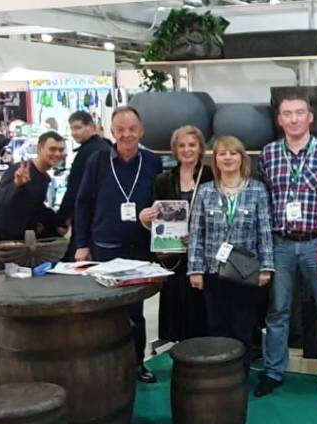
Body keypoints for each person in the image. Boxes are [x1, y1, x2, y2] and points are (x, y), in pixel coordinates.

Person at [73, 106, 163, 384]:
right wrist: (81, 244)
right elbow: (82, 203)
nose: (127, 135)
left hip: (139, 248)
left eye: (132, 129)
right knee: (105, 311)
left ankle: (136, 364)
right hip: (104, 248)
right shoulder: (98, 160)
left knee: (136, 311)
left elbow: (162, 201)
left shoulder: (152, 162)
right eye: (120, 130)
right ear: (112, 132)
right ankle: (106, 366)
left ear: (141, 131)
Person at [258, 91, 317, 400]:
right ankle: (274, 371)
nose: (294, 119)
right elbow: (263, 202)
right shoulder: (268, 154)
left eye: (299, 113)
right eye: (287, 114)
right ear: (279, 120)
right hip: (281, 245)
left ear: (310, 117)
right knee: (278, 311)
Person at [188, 135, 273, 366]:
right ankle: (221, 373)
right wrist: (195, 270)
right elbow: (196, 234)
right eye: (222, 154)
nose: (228, 158)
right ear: (215, 160)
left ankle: (240, 374)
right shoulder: (205, 191)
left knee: (243, 326)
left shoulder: (257, 190)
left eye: (233, 153)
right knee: (217, 326)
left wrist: (266, 267)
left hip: (245, 271)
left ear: (242, 158)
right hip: (213, 271)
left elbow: (265, 231)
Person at [139, 125, 212, 343]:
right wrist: (146, 218)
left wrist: (198, 235)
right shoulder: (163, 179)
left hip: (204, 257)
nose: (187, 150)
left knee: (203, 314)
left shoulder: (211, 176)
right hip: (173, 257)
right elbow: (157, 222)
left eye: (192, 145)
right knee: (176, 314)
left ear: (200, 148)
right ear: (174, 150)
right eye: (181, 145)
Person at [0, 131, 66, 260]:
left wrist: (59, 223)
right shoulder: (20, 170)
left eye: (60, 150)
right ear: (40, 148)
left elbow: (36, 207)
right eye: (52, 149)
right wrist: (16, 185)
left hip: (14, 238)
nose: (57, 154)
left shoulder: (44, 178)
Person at [58, 110, 111, 232]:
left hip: (88, 214)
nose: (74, 133)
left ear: (91, 126)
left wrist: (62, 218)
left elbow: (75, 188)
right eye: (71, 129)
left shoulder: (87, 152)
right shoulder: (106, 147)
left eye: (78, 128)